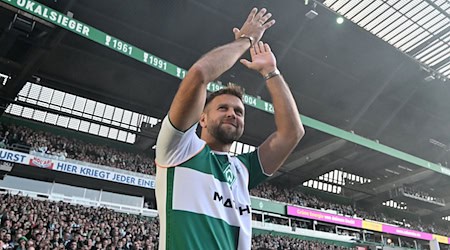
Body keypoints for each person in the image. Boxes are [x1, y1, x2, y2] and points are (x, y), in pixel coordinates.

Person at [155, 7, 304, 250]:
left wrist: (271, 72)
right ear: (201, 119)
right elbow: (199, 74)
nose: (232, 114)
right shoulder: (178, 150)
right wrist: (247, 40)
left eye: (239, 111)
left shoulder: (243, 169)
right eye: (222, 108)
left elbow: (292, 133)